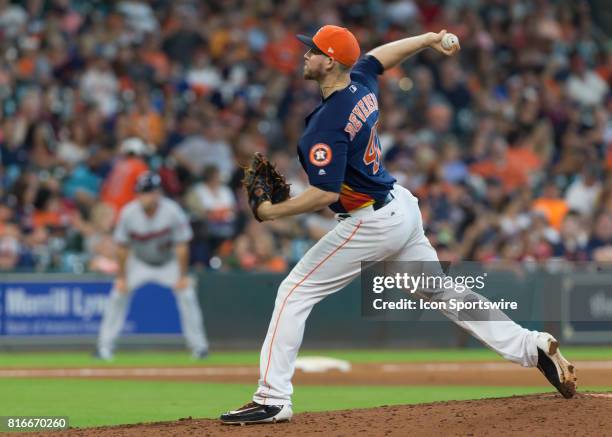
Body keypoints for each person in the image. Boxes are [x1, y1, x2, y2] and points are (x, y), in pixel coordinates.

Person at [220, 25, 577, 425]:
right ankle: (531, 346)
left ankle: (272, 398)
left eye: (314, 51)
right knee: (440, 290)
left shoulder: (327, 123)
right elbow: (377, 58)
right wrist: (426, 40)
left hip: (370, 221)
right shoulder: (359, 84)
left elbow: (324, 192)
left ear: (331, 61)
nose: (306, 55)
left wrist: (270, 213)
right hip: (398, 208)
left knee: (293, 293)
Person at [95, 172, 208, 360]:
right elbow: (122, 248)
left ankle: (199, 347)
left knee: (187, 294)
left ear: (158, 193)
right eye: (141, 192)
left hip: (168, 262)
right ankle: (104, 347)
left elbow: (181, 246)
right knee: (117, 295)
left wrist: (182, 276)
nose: (144, 196)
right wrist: (122, 278)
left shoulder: (172, 211)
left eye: (148, 191)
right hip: (139, 262)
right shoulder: (129, 213)